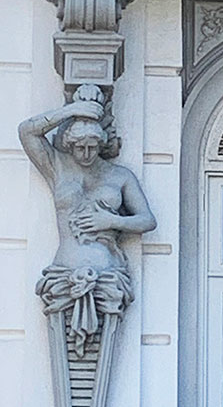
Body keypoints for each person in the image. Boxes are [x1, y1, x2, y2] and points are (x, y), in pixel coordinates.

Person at [18, 84, 156, 356]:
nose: (85, 154)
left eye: (92, 147)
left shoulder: (119, 176)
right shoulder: (57, 166)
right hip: (63, 276)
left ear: (101, 143)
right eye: (79, 147)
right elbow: (26, 131)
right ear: (70, 144)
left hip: (108, 276)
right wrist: (73, 110)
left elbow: (147, 221)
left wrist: (110, 221)